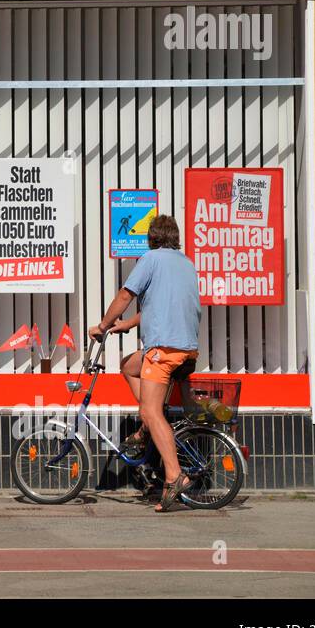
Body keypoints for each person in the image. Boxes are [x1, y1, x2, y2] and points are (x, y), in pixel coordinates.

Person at [88, 214, 201, 512]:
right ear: (174, 237)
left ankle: (175, 475)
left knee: (151, 412)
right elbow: (163, 305)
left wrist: (104, 324)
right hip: (186, 350)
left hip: (163, 350)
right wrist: (127, 325)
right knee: (128, 366)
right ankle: (150, 424)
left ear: (151, 238)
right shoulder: (186, 263)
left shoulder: (150, 260)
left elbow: (126, 295)